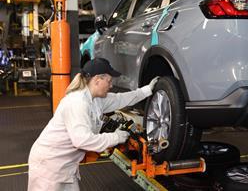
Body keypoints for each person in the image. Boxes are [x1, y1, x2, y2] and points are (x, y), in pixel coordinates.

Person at [28, 58, 159, 191]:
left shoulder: (96, 100)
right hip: (48, 168)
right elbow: (82, 140)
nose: (111, 85)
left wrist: (147, 90)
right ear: (97, 80)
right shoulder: (77, 102)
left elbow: (120, 99)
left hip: (66, 167)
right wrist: (116, 137)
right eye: (109, 81)